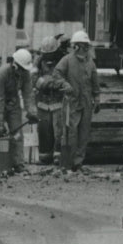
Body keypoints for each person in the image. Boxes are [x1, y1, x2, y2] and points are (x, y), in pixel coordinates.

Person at [53, 30, 101, 171]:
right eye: (83, 45)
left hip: (86, 102)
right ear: (76, 46)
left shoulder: (90, 62)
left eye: (87, 46)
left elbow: (95, 81)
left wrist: (97, 98)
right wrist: (64, 84)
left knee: (84, 133)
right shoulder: (67, 60)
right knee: (70, 133)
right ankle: (67, 162)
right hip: (71, 102)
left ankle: (78, 162)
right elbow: (56, 74)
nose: (86, 49)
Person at [0, 48, 36, 173]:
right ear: (15, 64)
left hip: (13, 101)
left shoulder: (25, 74)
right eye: (21, 68)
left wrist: (31, 111)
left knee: (17, 134)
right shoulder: (2, 73)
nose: (22, 71)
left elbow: (28, 94)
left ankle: (18, 163)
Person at [34, 36, 71, 166]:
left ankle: (58, 156)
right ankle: (44, 157)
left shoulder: (63, 60)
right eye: (46, 54)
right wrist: (51, 82)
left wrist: (47, 81)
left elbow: (62, 80)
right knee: (44, 131)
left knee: (59, 132)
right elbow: (34, 79)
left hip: (58, 103)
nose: (48, 58)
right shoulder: (38, 61)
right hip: (43, 104)